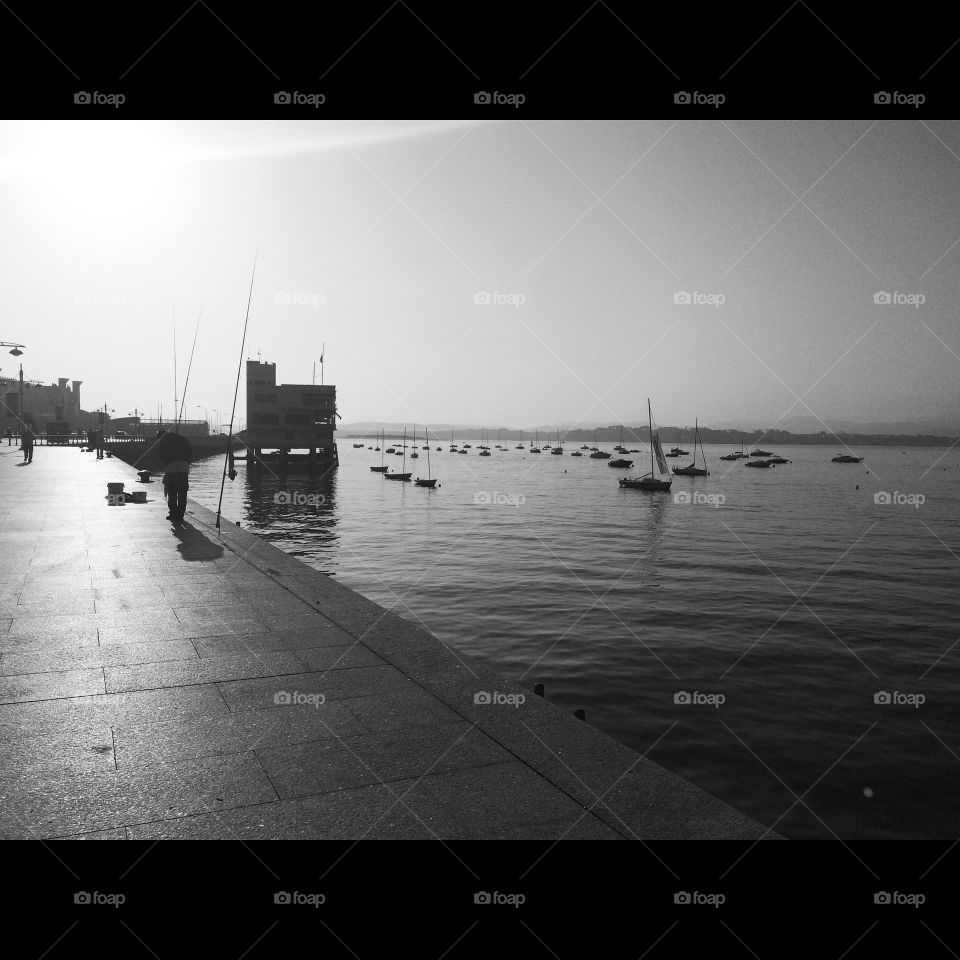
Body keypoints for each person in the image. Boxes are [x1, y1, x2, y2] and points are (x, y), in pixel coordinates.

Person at [157, 429, 193, 522]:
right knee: (182, 492)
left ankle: (173, 514)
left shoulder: (164, 441)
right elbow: (190, 453)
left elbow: (162, 456)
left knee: (172, 492)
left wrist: (169, 461)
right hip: (184, 468)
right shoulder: (183, 439)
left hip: (172, 468)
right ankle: (180, 515)